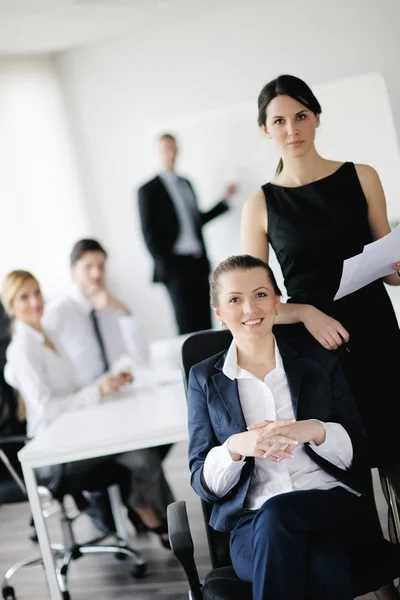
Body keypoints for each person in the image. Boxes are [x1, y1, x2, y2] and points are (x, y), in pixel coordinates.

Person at [188, 254, 380, 600]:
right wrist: (236, 447)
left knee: (282, 516)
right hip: (253, 526)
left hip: (330, 504)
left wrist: (314, 430)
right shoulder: (204, 379)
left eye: (261, 294)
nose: (250, 308)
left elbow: (359, 450)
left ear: (277, 302)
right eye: (235, 299)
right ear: (219, 312)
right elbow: (203, 482)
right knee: (324, 565)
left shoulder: (317, 359)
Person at [240, 74, 400, 469]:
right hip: (315, 342)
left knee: (396, 444)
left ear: (316, 118)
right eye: (279, 121)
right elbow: (255, 303)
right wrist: (307, 313)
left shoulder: (362, 176)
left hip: (376, 328)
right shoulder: (260, 204)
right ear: (265, 129)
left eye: (301, 115)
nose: (292, 129)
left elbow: (391, 272)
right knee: (344, 457)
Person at [1, 270, 174, 549]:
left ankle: (165, 521)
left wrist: (104, 383)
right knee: (141, 456)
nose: (35, 302)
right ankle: (153, 516)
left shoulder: (48, 333)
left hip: (74, 431)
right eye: (24, 297)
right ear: (11, 307)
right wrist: (96, 392)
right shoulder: (22, 349)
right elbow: (45, 408)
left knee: (144, 454)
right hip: (52, 449)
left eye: (36, 292)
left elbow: (70, 385)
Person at [137, 132, 237, 334]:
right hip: (175, 267)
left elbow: (195, 221)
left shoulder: (186, 183)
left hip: (198, 262)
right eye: (166, 149)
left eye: (173, 148)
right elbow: (148, 234)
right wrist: (166, 266)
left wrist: (224, 201)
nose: (171, 153)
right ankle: (191, 366)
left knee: (206, 321)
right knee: (186, 325)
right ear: (158, 153)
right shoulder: (148, 190)